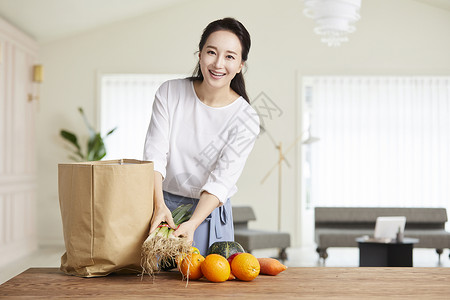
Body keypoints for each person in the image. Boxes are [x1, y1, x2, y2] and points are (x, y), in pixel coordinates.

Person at [143, 17, 260, 255]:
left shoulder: (246, 118)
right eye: (211, 52)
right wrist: (158, 206)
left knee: (207, 283)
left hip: (208, 213)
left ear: (240, 65)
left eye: (229, 56)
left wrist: (194, 223)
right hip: (161, 206)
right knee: (154, 287)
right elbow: (154, 155)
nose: (218, 63)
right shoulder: (170, 93)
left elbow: (221, 181)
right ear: (199, 55)